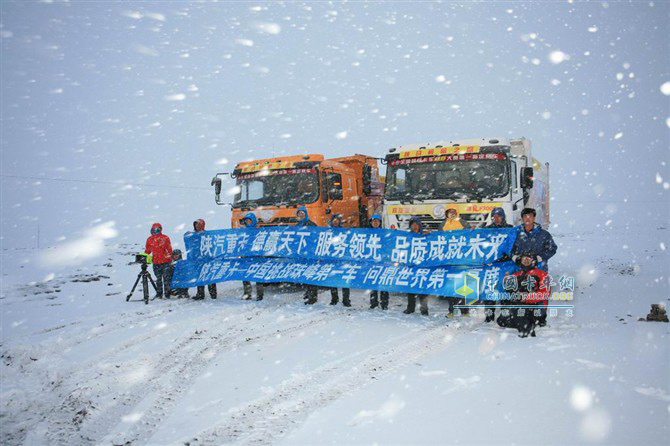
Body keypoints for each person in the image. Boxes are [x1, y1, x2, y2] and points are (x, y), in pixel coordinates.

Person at [497, 253, 551, 336]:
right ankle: (525, 322)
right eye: (524, 259)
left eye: (529, 259)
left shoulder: (542, 275)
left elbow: (544, 293)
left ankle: (528, 328)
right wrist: (507, 280)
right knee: (501, 321)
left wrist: (526, 298)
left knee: (520, 313)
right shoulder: (516, 275)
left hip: (535, 307)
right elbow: (509, 290)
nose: (526, 261)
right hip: (518, 305)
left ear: (534, 261)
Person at [482, 207, 513, 322]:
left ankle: (505, 315)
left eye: (499, 216)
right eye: (494, 216)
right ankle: (489, 316)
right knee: (490, 291)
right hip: (491, 265)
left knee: (505, 291)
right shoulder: (486, 230)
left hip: (506, 265)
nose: (496, 219)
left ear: (503, 217)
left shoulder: (510, 229)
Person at [511, 208, 558, 272]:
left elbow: (552, 248)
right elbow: (509, 249)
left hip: (539, 269)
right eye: (525, 216)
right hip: (519, 269)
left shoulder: (544, 234)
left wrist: (539, 258)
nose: (527, 218)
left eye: (530, 216)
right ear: (522, 218)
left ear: (534, 218)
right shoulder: (515, 234)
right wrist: (516, 258)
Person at [403, 217, 429, 316]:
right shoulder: (408, 236)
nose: (414, 226)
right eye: (412, 224)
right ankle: (410, 308)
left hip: (422, 265)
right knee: (411, 288)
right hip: (411, 265)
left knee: (422, 288)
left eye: (416, 224)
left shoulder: (425, 235)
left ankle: (424, 309)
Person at [296, 206, 318, 304]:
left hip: (310, 254)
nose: (301, 215)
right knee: (304, 275)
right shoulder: (297, 226)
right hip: (302, 254)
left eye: (302, 213)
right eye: (299, 214)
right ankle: (307, 293)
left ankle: (313, 296)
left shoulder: (311, 224)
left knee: (311, 274)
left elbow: (316, 237)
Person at [328, 214, 351, 307]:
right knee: (333, 280)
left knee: (344, 279)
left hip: (343, 259)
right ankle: (334, 298)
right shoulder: (328, 232)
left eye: (337, 220)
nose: (335, 222)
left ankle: (346, 299)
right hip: (332, 259)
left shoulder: (344, 232)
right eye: (334, 220)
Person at [144, 223, 172, 299]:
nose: (155, 231)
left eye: (157, 229)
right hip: (156, 262)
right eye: (154, 229)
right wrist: (145, 257)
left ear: (160, 229)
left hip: (166, 262)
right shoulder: (149, 239)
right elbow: (148, 250)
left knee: (166, 279)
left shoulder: (165, 238)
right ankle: (159, 293)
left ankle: (167, 293)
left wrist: (169, 257)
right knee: (158, 279)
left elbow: (169, 249)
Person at [240, 213, 264, 301]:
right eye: (246, 221)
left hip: (257, 257)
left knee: (258, 276)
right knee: (245, 276)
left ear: (253, 221)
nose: (248, 222)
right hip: (246, 257)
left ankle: (260, 295)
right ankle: (247, 293)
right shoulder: (243, 232)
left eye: (249, 220)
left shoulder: (259, 231)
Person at [368, 214, 389, 310]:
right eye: (373, 221)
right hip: (372, 262)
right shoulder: (367, 233)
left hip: (382, 261)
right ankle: (374, 302)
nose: (375, 223)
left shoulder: (384, 233)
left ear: (380, 222)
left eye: (377, 221)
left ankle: (384, 303)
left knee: (383, 282)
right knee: (373, 283)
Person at [193, 219, 217, 300]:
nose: (197, 226)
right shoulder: (193, 235)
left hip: (207, 259)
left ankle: (213, 294)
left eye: (198, 225)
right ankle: (200, 294)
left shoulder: (207, 235)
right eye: (196, 225)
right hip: (198, 260)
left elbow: (212, 246)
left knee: (210, 276)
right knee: (200, 276)